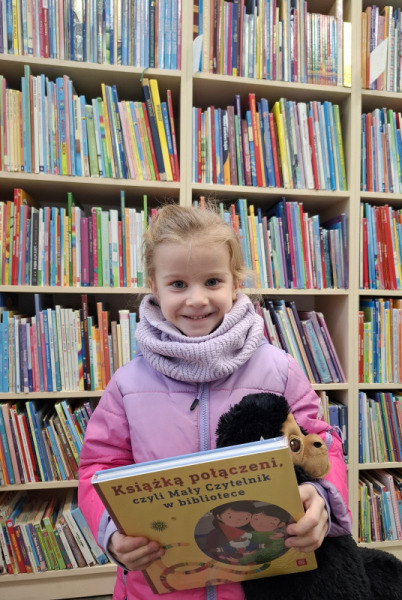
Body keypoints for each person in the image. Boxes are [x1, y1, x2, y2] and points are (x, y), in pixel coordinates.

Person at [78, 204, 351, 600]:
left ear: (235, 283)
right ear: (154, 286)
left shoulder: (278, 369)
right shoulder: (127, 384)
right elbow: (98, 468)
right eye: (178, 284)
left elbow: (321, 445)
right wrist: (110, 530)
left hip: (260, 585)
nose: (197, 299)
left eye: (212, 281)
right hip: (158, 587)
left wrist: (321, 498)